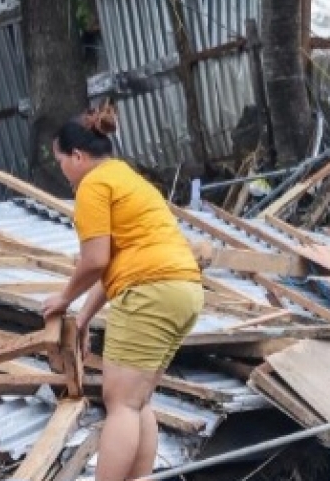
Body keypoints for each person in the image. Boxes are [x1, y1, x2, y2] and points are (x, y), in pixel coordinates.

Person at [42, 104, 203, 481]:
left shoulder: (93, 186)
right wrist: (82, 319)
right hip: (183, 289)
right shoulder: (127, 178)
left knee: (120, 404)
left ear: (78, 156)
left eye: (61, 161)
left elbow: (95, 259)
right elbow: (114, 262)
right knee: (137, 399)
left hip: (150, 290)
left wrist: (64, 299)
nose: (62, 171)